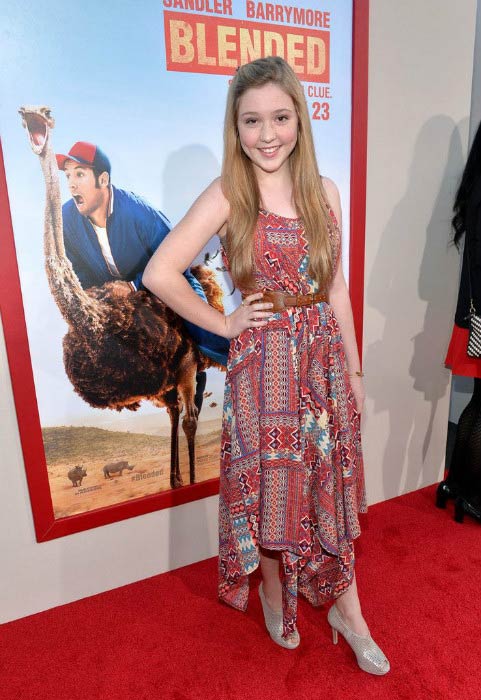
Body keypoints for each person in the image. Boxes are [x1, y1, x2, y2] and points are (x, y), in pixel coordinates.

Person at [143, 56, 389, 674]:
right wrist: (225, 323)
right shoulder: (232, 191)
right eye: (252, 120)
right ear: (237, 126)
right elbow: (159, 272)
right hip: (266, 364)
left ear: (300, 120)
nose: (268, 133)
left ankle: (345, 608)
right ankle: (277, 587)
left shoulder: (324, 191)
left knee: (324, 483)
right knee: (278, 487)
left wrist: (355, 374)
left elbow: (336, 290)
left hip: (324, 362)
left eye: (280, 116)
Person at [56, 140, 229, 368]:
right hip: (114, 292)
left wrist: (133, 286)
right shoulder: (67, 218)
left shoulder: (140, 213)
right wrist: (94, 295)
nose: (71, 184)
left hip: (160, 281)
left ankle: (238, 362)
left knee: (204, 331)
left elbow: (175, 260)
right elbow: (77, 264)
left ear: (103, 179)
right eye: (68, 176)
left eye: (79, 174)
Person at [440, 121, 481, 523]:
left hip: (476, 312)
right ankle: (467, 491)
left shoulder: (476, 178)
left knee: (479, 400)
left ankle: (458, 485)